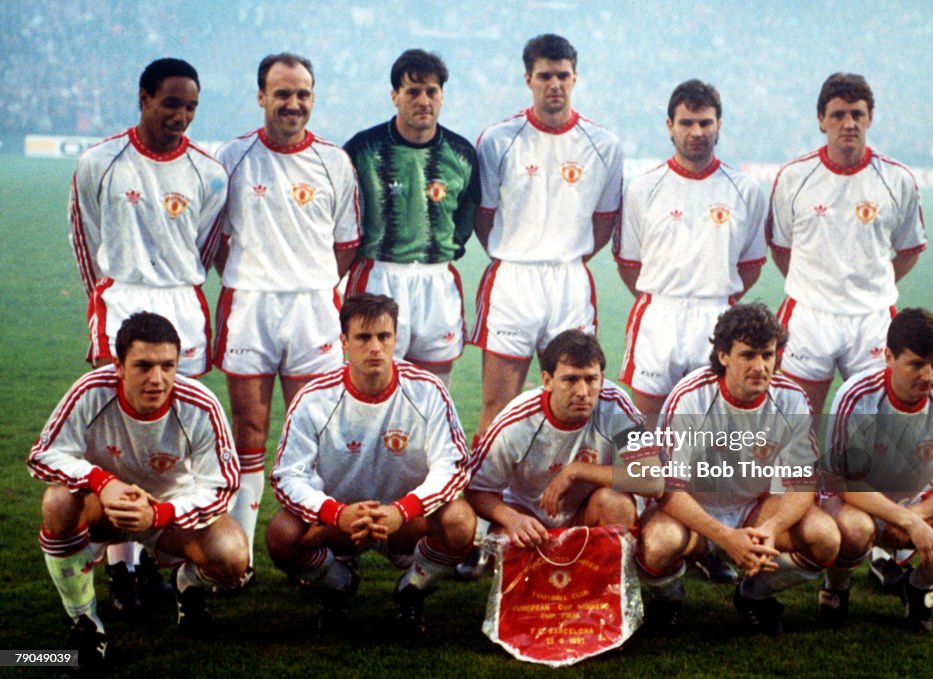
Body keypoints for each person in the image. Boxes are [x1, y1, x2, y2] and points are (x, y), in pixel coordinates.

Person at [67, 57, 228, 611]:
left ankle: (178, 559)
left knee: (176, 434)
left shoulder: (210, 171)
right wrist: (104, 296)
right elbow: (85, 239)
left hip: (181, 304)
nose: (181, 116)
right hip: (120, 298)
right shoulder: (99, 161)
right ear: (143, 98)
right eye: (171, 104)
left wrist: (177, 284)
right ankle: (123, 570)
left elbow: (203, 249)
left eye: (190, 107)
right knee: (116, 436)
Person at [27, 312, 247, 669]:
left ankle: (186, 584)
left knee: (233, 556)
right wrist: (103, 482)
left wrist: (159, 513)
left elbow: (222, 485)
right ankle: (85, 622)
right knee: (57, 502)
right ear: (119, 365)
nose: (157, 379)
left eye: (167, 366)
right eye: (143, 366)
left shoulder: (199, 405)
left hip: (168, 516)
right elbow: (43, 455)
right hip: (104, 509)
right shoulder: (91, 391)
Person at [213, 53, 361, 581]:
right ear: (261, 97)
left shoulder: (333, 162)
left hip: (312, 310)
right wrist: (259, 275)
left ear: (313, 97)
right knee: (249, 431)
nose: (293, 103)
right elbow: (214, 241)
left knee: (316, 435)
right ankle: (242, 553)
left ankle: (319, 545)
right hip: (249, 305)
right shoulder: (231, 157)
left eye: (302, 93)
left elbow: (346, 243)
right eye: (282, 93)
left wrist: (307, 279)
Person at [266, 293, 476, 638]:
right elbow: (288, 475)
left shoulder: (427, 390)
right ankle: (338, 586)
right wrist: (336, 513)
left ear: (396, 339)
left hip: (407, 522)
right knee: (282, 535)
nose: (375, 347)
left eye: (384, 336)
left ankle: (411, 591)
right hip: (341, 523)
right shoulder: (314, 398)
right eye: (363, 338)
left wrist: (403, 510)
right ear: (344, 342)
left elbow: (451, 466)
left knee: (460, 521)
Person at [638, 304, 839, 633]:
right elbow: (666, 489)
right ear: (722, 355)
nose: (760, 367)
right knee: (659, 543)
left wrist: (771, 530)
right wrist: (726, 538)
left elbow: (803, 484)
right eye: (748, 355)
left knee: (825, 537)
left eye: (767, 355)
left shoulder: (791, 399)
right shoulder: (691, 398)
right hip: (692, 509)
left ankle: (754, 594)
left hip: (752, 508)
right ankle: (668, 597)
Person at [471, 33, 624, 436]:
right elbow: (483, 216)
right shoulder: (497, 140)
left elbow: (604, 220)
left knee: (575, 402)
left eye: (562, 75)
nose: (554, 84)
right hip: (514, 280)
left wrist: (564, 254)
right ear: (528, 79)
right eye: (544, 76)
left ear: (575, 78)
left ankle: (568, 494)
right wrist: (519, 251)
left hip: (569, 280)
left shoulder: (603, 144)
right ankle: (486, 495)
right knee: (498, 404)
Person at [818, 308, 933, 630]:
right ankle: (836, 588)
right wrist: (906, 520)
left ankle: (915, 584)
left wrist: (916, 515)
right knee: (853, 531)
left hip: (915, 502)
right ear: (889, 357)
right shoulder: (858, 396)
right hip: (858, 502)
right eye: (916, 364)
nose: (928, 375)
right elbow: (845, 482)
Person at [766, 73, 926, 419]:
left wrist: (870, 283)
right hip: (809, 316)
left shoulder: (897, 179)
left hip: (871, 318)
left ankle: (857, 476)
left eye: (857, 113)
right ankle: (798, 475)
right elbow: (781, 247)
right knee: (796, 420)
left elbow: (910, 248)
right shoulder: (794, 177)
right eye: (838, 115)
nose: (848, 123)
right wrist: (818, 285)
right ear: (821, 120)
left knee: (874, 423)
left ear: (870, 117)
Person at [615, 79, 766, 418]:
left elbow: (752, 265)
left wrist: (711, 295)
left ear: (719, 125)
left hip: (717, 317)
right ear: (669, 126)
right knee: (649, 434)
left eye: (705, 123)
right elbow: (629, 263)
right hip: (658, 316)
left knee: (713, 433)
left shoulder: (745, 190)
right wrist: (665, 295)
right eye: (686, 123)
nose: (696, 132)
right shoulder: (643, 188)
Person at [343, 49, 479, 386]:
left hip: (437, 278)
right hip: (379, 274)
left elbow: (468, 213)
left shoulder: (461, 153)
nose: (423, 100)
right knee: (374, 379)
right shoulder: (363, 148)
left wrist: (444, 247)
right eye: (412, 91)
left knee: (434, 385)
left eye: (431, 91)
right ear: (395, 96)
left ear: (442, 96)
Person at [466, 330, 654, 549]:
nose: (583, 392)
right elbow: (475, 489)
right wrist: (512, 519)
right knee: (509, 539)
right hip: (527, 516)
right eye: (570, 380)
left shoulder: (615, 405)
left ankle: (608, 577)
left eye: (591, 379)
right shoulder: (517, 421)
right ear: (548, 381)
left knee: (617, 504)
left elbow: (653, 479)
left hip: (585, 512)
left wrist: (577, 471)